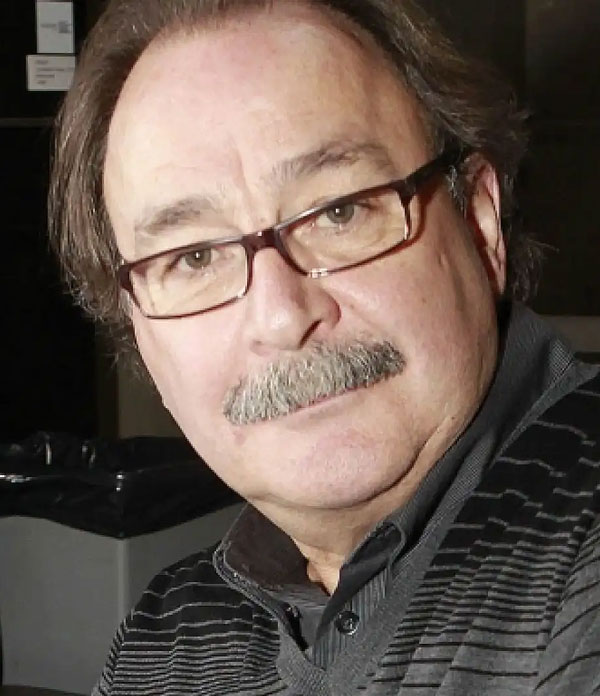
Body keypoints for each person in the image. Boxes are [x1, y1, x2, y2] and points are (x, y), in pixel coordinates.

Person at [49, 0, 600, 694]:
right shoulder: (168, 639)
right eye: (193, 258)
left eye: (339, 212)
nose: (281, 316)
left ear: (479, 222)